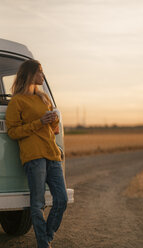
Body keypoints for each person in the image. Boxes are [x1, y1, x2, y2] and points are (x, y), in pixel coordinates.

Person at [5, 59, 68, 248]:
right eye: (40, 72)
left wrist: (53, 120)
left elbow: (53, 130)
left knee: (62, 200)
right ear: (31, 74)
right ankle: (43, 243)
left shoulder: (44, 98)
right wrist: (39, 122)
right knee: (37, 203)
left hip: (52, 155)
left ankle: (46, 236)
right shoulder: (17, 101)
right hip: (34, 157)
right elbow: (13, 132)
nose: (43, 76)